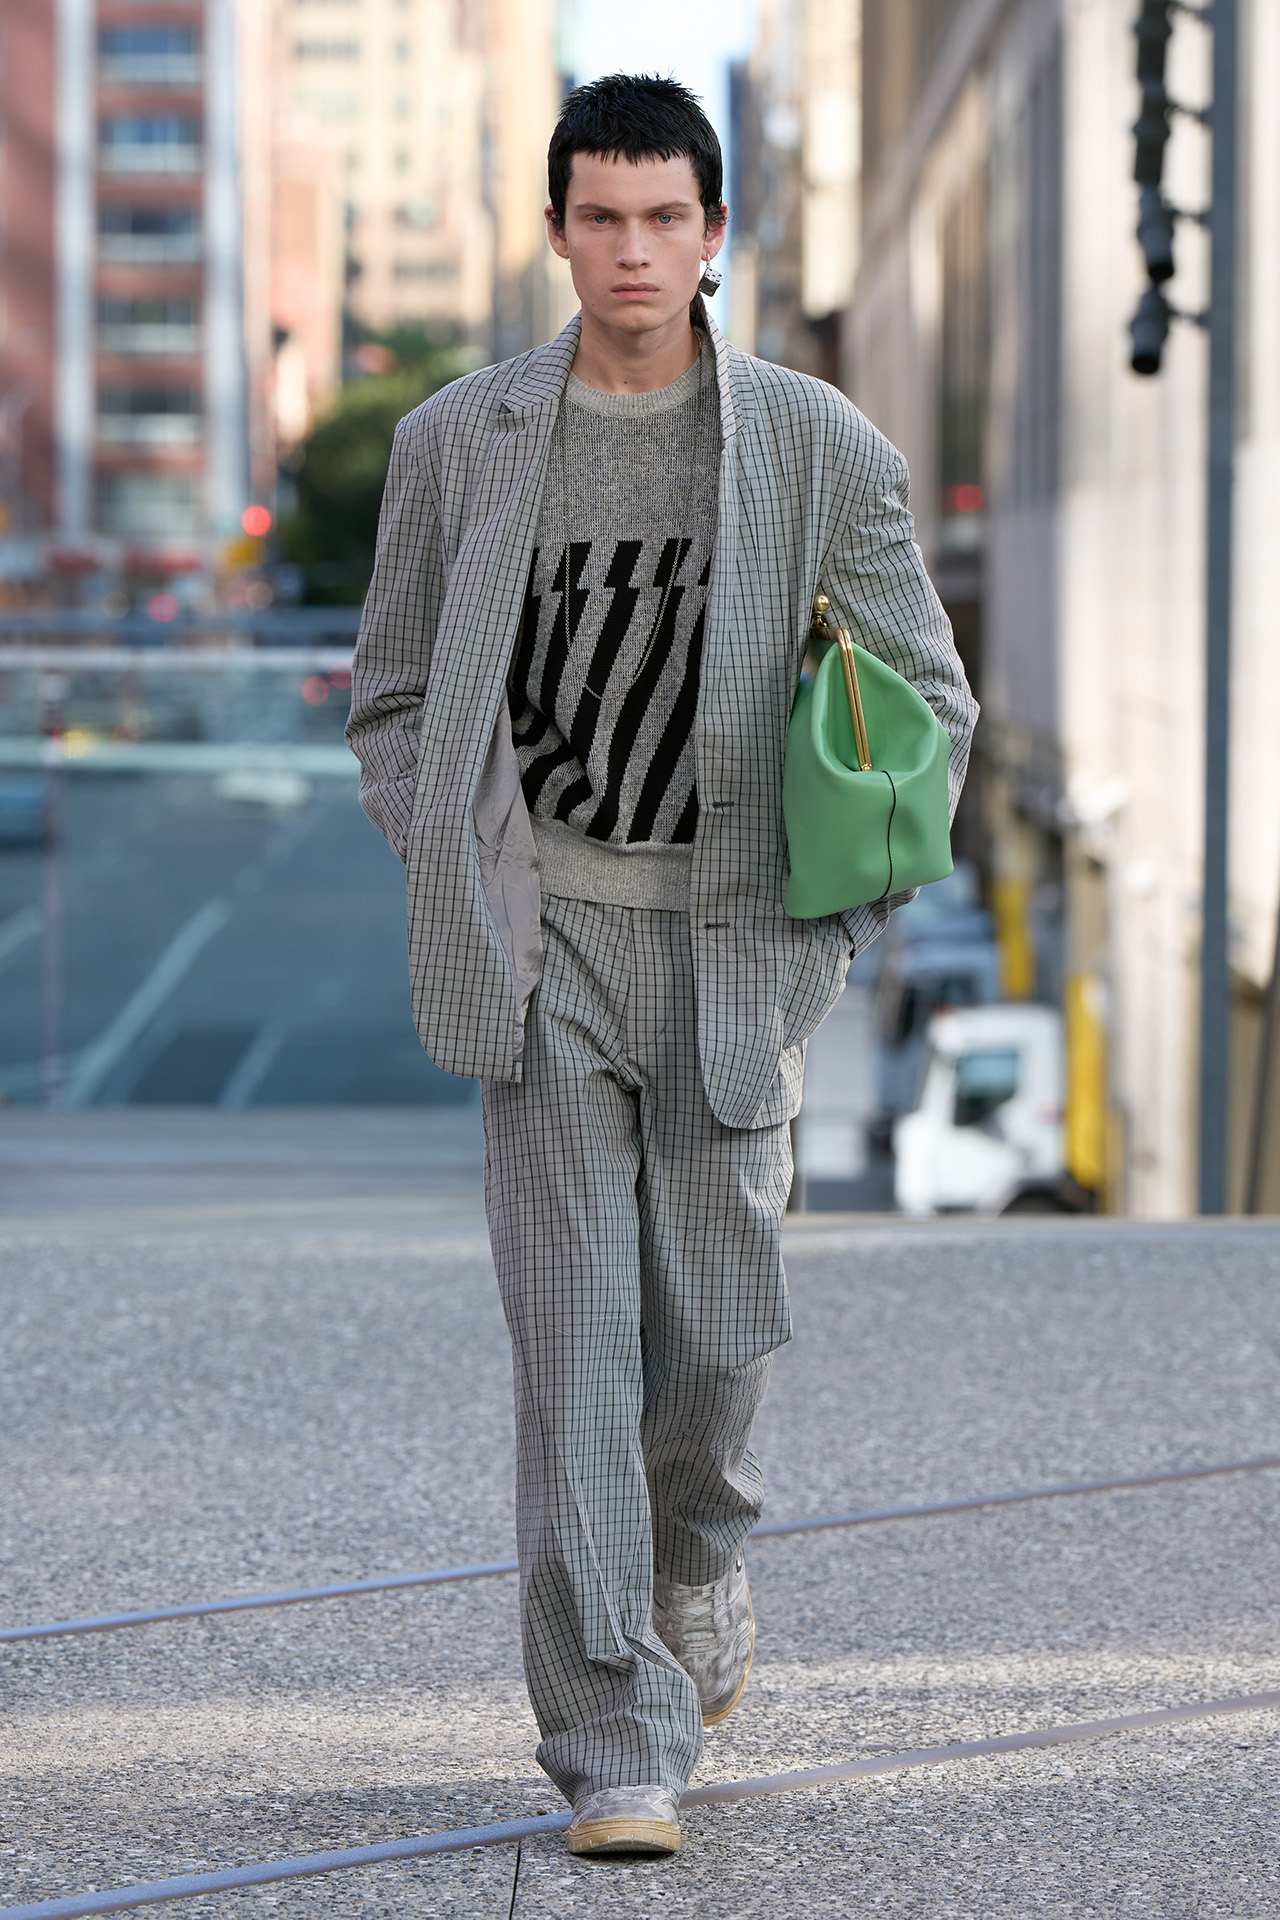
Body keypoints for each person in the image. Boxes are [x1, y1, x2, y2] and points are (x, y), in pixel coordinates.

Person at [347, 73, 977, 1859]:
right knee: (574, 1361)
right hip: (543, 943)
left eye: (665, 218)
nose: (633, 250)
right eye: (602, 217)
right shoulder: (457, 441)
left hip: (731, 940)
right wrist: (464, 869)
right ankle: (617, 1741)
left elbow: (928, 705)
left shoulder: (816, 444)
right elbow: (392, 694)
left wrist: (823, 932)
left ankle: (698, 1559)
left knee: (709, 1354)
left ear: (713, 233)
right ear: (558, 230)